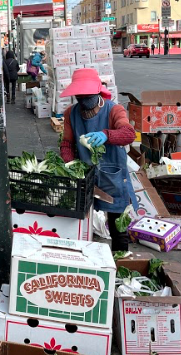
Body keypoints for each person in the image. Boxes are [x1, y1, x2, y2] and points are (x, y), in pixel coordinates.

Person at [59, 68, 137, 252]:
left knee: (118, 228)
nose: (84, 101)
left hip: (113, 177)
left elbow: (128, 133)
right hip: (85, 176)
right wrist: (70, 165)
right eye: (80, 97)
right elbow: (67, 144)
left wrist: (106, 135)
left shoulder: (114, 110)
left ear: (97, 91)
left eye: (88, 96)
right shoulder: (71, 113)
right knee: (82, 226)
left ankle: (119, 267)